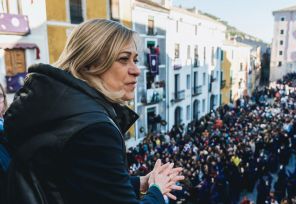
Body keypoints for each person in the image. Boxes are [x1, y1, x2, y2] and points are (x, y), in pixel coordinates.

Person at [4, 19, 184, 203]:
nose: (136, 70)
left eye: (135, 60)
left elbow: (75, 183)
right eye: (123, 59)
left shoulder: (60, 107)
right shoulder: (95, 129)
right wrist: (157, 191)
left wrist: (140, 183)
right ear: (90, 63)